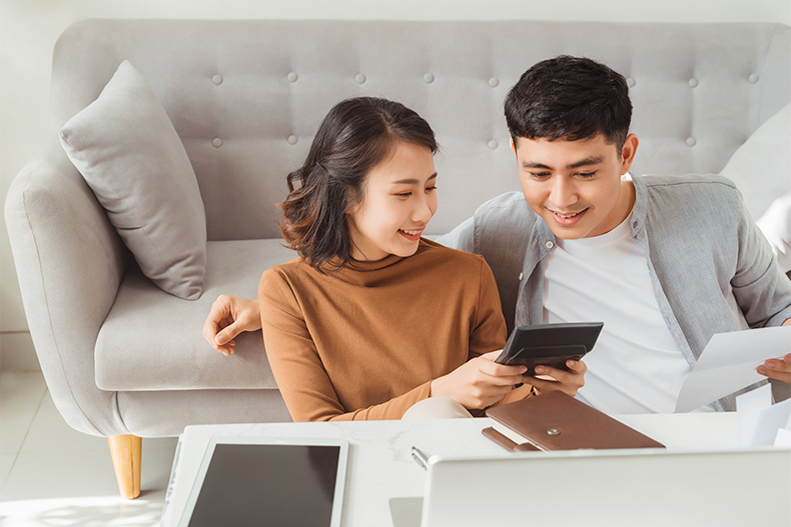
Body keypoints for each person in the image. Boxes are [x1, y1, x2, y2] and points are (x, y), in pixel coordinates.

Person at [205, 57, 791, 414]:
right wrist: (275, 309)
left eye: (585, 173)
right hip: (571, 438)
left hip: (715, 427)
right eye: (538, 173)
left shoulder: (712, 208)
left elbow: (779, 310)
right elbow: (400, 266)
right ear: (514, 154)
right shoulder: (498, 228)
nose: (560, 200)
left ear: (626, 153)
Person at [203, 97, 584, 422]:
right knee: (434, 412)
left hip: (454, 466)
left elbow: (496, 409)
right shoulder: (287, 290)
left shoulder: (469, 275)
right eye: (404, 194)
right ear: (347, 196)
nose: (425, 211)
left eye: (431, 187)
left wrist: (545, 392)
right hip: (361, 468)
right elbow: (319, 429)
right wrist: (436, 393)